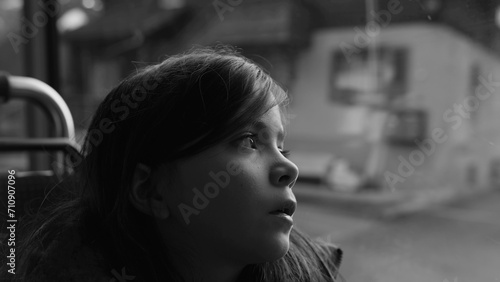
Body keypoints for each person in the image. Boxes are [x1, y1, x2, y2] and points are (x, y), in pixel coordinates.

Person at [9, 46, 343, 281]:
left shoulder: (312, 271)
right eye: (248, 141)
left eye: (283, 148)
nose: (290, 170)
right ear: (151, 190)